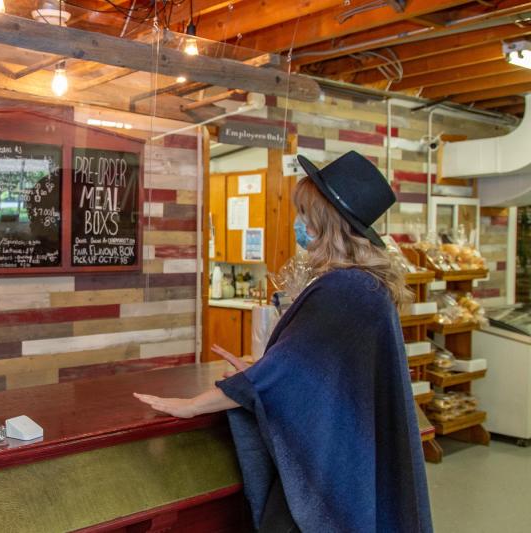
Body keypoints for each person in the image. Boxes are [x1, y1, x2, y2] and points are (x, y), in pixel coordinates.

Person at [135, 151, 432, 533]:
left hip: (329, 469)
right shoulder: (364, 286)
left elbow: (287, 374)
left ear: (325, 222)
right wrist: (265, 369)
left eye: (304, 213)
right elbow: (317, 372)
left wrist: (191, 406)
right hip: (348, 456)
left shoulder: (342, 289)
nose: (297, 223)